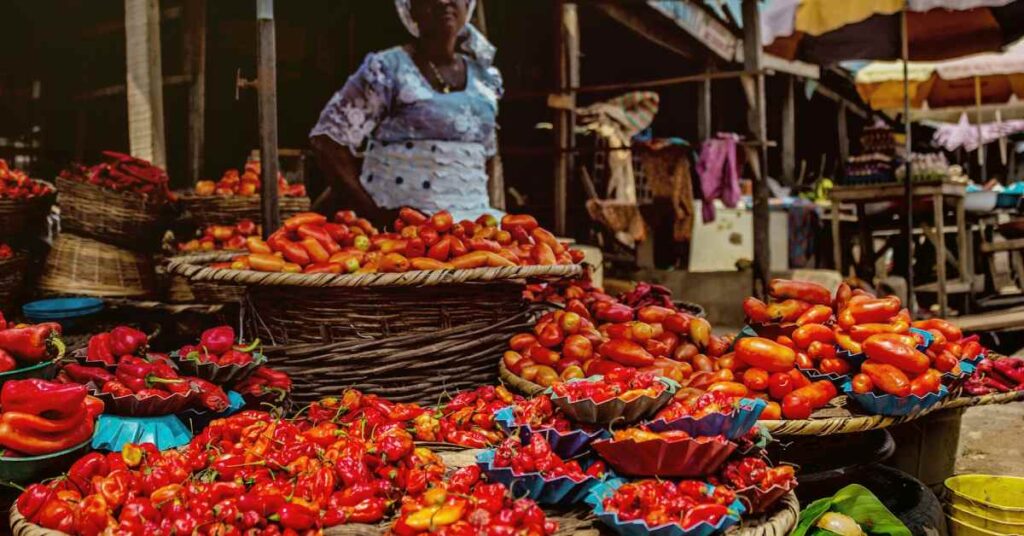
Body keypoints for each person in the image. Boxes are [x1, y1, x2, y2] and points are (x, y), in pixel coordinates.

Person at [310, 0, 504, 224]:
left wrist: (487, 213)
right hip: (402, 230)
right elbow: (327, 141)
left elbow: (488, 156)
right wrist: (374, 214)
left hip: (472, 227)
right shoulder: (387, 69)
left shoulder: (486, 77)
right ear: (409, 8)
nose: (443, 1)